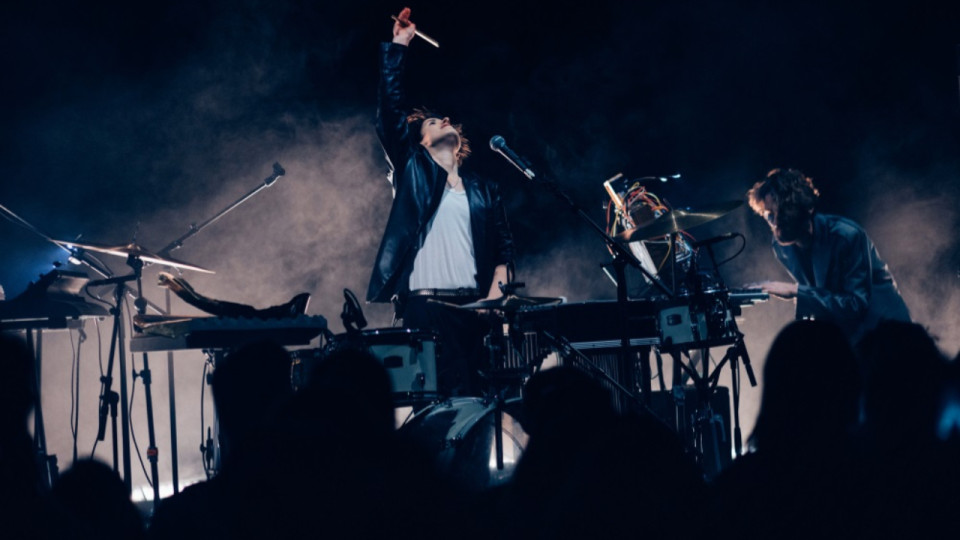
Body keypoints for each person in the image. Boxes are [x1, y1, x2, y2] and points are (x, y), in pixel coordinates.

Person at [366, 7, 515, 396]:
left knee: (481, 406)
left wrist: (494, 298)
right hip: (426, 309)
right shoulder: (413, 169)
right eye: (432, 123)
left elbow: (504, 249)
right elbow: (389, 112)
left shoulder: (484, 189)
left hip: (473, 310)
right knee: (441, 410)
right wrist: (399, 45)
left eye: (443, 119)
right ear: (420, 142)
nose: (442, 120)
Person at [747, 168, 910, 343]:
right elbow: (823, 296)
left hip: (888, 331)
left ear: (806, 209)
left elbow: (855, 306)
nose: (777, 224)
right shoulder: (781, 247)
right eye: (770, 216)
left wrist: (795, 290)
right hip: (850, 335)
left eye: (783, 214)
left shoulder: (846, 236)